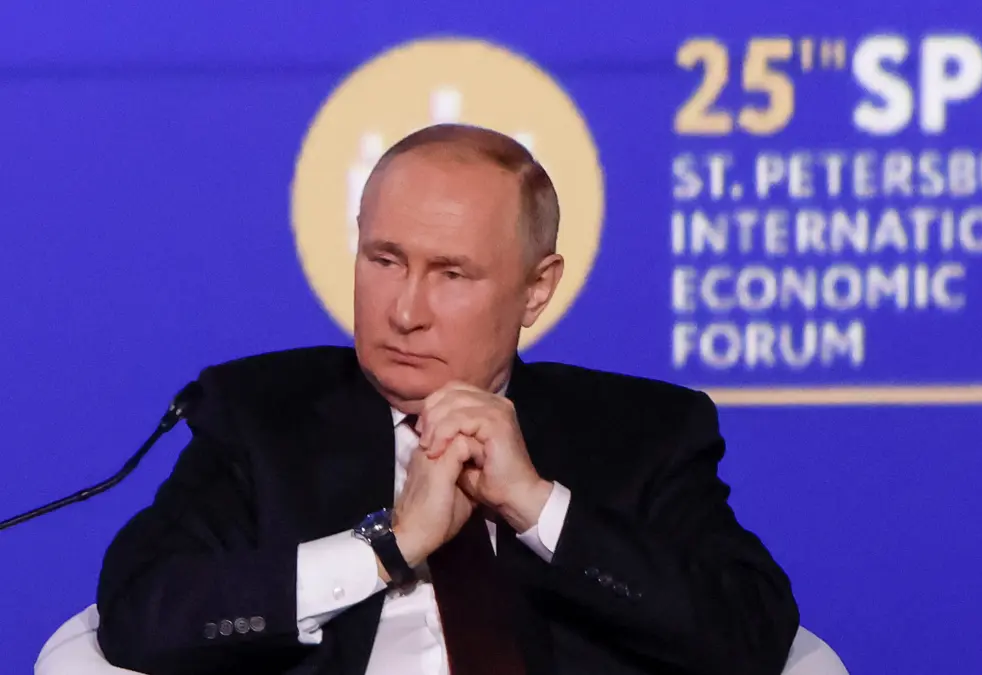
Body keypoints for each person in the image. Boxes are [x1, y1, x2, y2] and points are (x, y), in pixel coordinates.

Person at [95, 123, 799, 675]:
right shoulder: (260, 415)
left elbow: (750, 634)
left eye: (452, 274)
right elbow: (139, 613)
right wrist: (388, 546)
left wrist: (537, 506)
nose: (405, 312)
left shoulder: (643, 432)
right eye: (385, 260)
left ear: (537, 289)